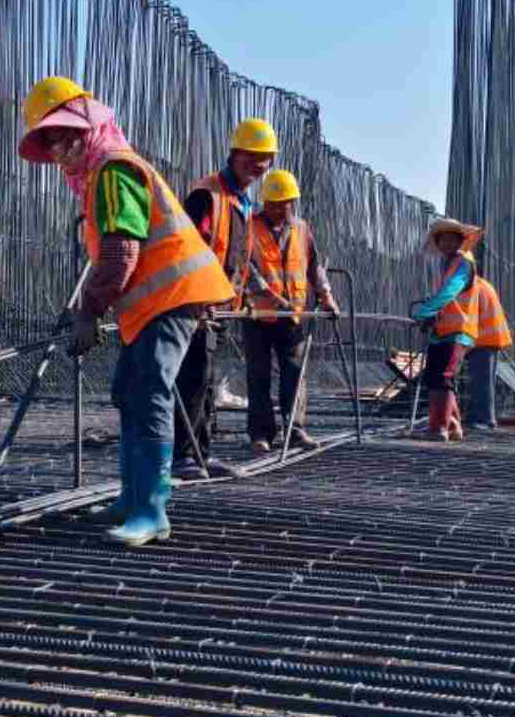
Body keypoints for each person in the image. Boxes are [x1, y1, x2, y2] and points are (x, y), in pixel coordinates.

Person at [18, 76, 233, 546]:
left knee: (151, 387)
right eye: (49, 138)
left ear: (87, 126)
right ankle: (131, 495)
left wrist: (89, 312)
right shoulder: (98, 176)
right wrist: (84, 307)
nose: (58, 148)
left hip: (174, 296)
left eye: (63, 133)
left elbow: (121, 253)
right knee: (128, 391)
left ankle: (151, 509)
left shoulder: (115, 169)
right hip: (151, 302)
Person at [173, 117, 279, 478]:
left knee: (205, 380)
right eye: (251, 157)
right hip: (194, 306)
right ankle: (183, 456)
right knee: (191, 379)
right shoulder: (208, 194)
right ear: (234, 154)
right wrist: (197, 299)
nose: (258, 166)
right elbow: (187, 250)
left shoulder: (242, 202)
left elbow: (239, 256)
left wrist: (258, 291)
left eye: (265, 159)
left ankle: (201, 454)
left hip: (218, 307)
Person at [241, 169, 339, 454]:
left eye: (284, 203)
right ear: (264, 202)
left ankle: (295, 430)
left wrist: (326, 296)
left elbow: (314, 267)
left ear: (292, 202)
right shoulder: (249, 226)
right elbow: (247, 268)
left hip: (292, 317)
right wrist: (272, 298)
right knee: (258, 374)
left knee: (295, 372)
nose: (278, 208)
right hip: (258, 315)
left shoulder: (302, 229)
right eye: (273, 203)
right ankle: (260, 433)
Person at [409, 218, 512, 438]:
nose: (445, 244)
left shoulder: (463, 266)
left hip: (477, 334)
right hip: (451, 330)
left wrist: (426, 311)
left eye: (451, 239)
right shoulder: (448, 266)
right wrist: (433, 314)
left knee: (462, 378)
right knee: (440, 376)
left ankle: (461, 423)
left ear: (461, 241)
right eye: (442, 239)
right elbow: (447, 298)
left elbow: (450, 293)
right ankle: (454, 424)